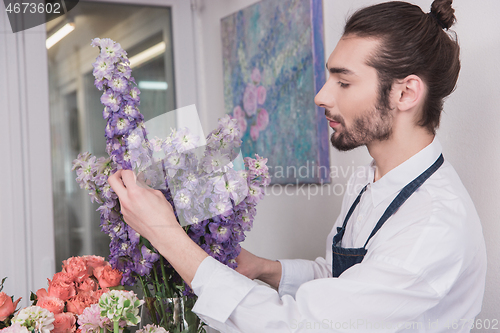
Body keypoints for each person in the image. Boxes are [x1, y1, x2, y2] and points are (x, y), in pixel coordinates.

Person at [108, 0, 487, 331]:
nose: (322, 95)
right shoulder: (366, 179)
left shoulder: (433, 224)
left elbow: (301, 326)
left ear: (405, 93)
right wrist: (264, 269)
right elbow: (342, 282)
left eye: (343, 82)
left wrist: (165, 235)